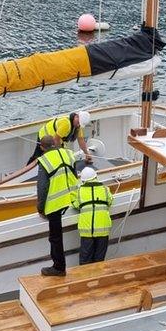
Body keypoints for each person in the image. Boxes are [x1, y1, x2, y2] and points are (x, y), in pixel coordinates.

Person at [36, 135, 79, 277]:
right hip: (73, 197)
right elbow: (74, 173)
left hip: (56, 202)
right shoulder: (68, 153)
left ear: (42, 147)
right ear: (54, 143)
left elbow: (42, 187)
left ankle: (59, 267)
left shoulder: (44, 161)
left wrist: (41, 208)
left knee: (55, 237)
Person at [70, 167, 113, 264]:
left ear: (83, 180)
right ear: (96, 177)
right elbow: (110, 201)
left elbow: (75, 204)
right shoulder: (105, 189)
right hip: (103, 230)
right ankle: (98, 278)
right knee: (99, 260)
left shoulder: (79, 192)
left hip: (87, 231)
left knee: (85, 260)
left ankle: (86, 278)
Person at [28, 111, 93, 166]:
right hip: (44, 137)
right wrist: (60, 154)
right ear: (76, 116)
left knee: (59, 156)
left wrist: (86, 153)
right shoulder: (66, 124)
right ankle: (27, 169)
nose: (78, 125)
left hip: (56, 139)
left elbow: (81, 140)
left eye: (79, 124)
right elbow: (56, 139)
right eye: (78, 123)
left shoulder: (77, 127)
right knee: (38, 156)